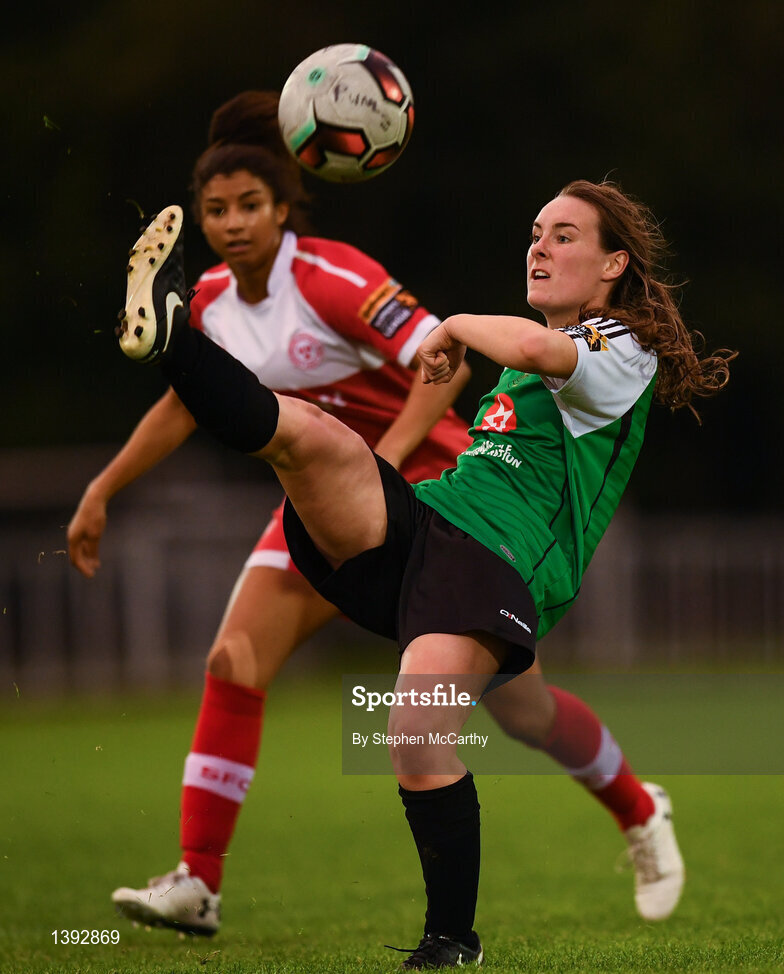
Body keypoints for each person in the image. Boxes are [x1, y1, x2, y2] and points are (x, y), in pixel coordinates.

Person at [73, 93, 690, 949]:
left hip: (500, 563)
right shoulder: (522, 355)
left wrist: (454, 330)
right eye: (536, 231)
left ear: (615, 264)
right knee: (313, 442)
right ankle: (172, 334)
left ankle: (477, 925)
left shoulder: (624, 347)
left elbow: (538, 351)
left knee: (464, 723)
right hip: (429, 518)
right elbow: (515, 360)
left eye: (564, 235)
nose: (539, 245)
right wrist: (104, 486)